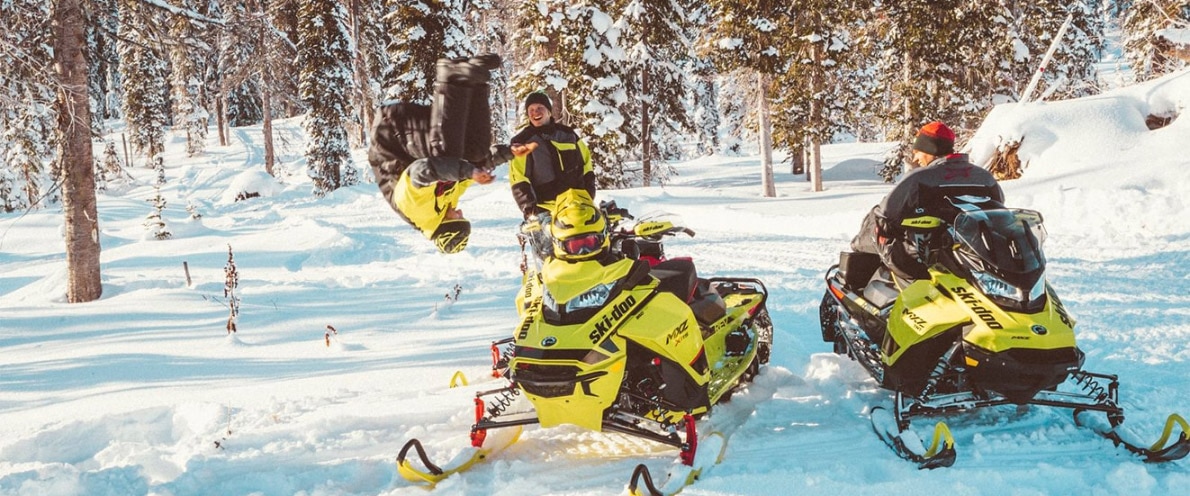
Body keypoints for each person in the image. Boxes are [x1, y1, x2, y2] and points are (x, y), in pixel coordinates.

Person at [368, 54, 534, 254]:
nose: (459, 211)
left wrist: (466, 170)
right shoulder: (445, 205)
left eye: (458, 217)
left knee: (448, 157)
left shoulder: (417, 210)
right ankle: (476, 80)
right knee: (476, 153)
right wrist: (509, 153)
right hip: (412, 136)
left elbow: (421, 170)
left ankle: (450, 77)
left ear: (446, 225)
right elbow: (478, 165)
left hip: (390, 133)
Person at [851, 121, 1004, 283]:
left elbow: (885, 214)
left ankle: (857, 287)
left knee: (876, 221)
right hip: (974, 260)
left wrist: (858, 244)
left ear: (930, 150)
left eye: (918, 152)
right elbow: (999, 214)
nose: (916, 158)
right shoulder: (984, 178)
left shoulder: (919, 178)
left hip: (924, 262)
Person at [509, 91, 595, 258]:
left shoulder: (569, 135)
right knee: (550, 260)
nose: (536, 113)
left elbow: (587, 166)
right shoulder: (522, 141)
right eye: (531, 110)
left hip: (576, 208)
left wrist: (589, 195)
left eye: (540, 108)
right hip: (545, 211)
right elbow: (519, 179)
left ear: (549, 111)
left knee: (586, 255)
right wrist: (530, 211)